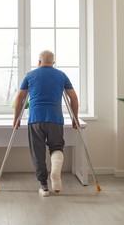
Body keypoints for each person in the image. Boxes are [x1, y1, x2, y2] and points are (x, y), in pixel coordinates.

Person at [13, 50, 79, 197]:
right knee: (56, 147)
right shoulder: (61, 75)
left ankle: (44, 187)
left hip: (36, 119)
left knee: (38, 153)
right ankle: (55, 171)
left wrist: (15, 118)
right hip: (55, 118)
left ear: (39, 62)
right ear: (53, 63)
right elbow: (73, 97)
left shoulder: (30, 75)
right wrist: (75, 118)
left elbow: (19, 98)